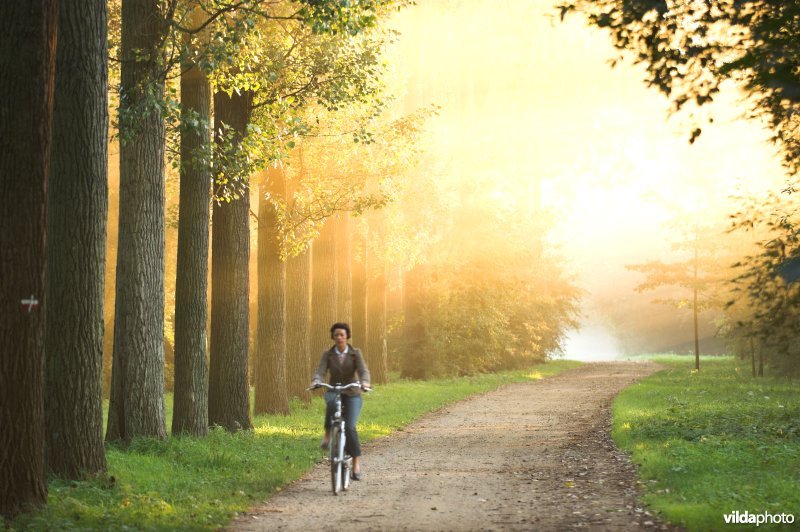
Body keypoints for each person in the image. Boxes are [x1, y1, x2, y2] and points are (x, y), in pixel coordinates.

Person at [310, 322, 371, 481]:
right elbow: (320, 370)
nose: (339, 337)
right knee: (331, 402)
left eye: (342, 335)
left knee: (350, 427)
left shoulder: (355, 353)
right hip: (334, 389)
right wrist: (316, 380)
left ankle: (356, 463)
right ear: (333, 337)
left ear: (347, 337)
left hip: (352, 392)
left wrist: (365, 383)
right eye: (336, 335)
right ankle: (328, 433)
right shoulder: (328, 354)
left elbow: (363, 371)